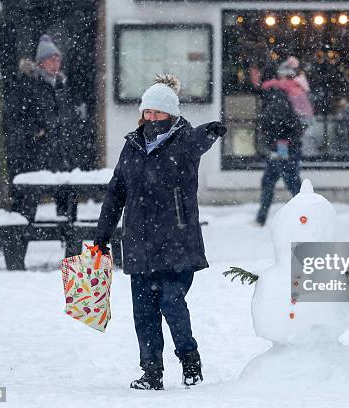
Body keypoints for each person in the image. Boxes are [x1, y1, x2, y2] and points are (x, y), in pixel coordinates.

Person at [93, 74, 226, 390]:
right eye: (147, 112)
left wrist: (211, 131)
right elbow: (116, 193)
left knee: (170, 301)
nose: (151, 118)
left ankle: (190, 361)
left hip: (176, 241)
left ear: (172, 115)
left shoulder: (184, 143)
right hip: (139, 241)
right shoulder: (132, 146)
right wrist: (102, 236)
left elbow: (199, 139)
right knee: (144, 311)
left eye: (158, 112)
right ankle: (151, 371)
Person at [6, 34, 81, 220]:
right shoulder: (27, 85)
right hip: (33, 155)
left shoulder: (62, 87)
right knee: (26, 203)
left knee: (68, 197)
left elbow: (68, 117)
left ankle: (69, 239)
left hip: (60, 154)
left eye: (58, 58)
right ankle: (17, 242)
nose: (55, 62)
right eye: (50, 58)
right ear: (40, 63)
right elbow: (15, 119)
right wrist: (36, 131)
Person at [253, 63, 303, 226]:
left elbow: (278, 121)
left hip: (282, 146)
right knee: (284, 181)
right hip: (285, 145)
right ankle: (261, 218)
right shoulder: (277, 92)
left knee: (288, 182)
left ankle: (308, 215)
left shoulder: (273, 94)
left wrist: (276, 143)